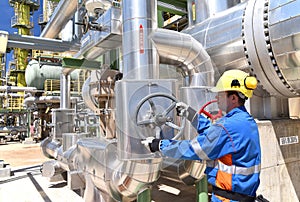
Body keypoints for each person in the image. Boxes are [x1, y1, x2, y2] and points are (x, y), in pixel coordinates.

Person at [143, 70, 261, 202]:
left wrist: (159, 145)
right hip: (243, 196)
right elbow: (215, 135)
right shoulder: (245, 121)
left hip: (227, 198)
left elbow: (196, 149)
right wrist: (191, 115)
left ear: (233, 98)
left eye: (220, 94)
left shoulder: (228, 126)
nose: (216, 98)